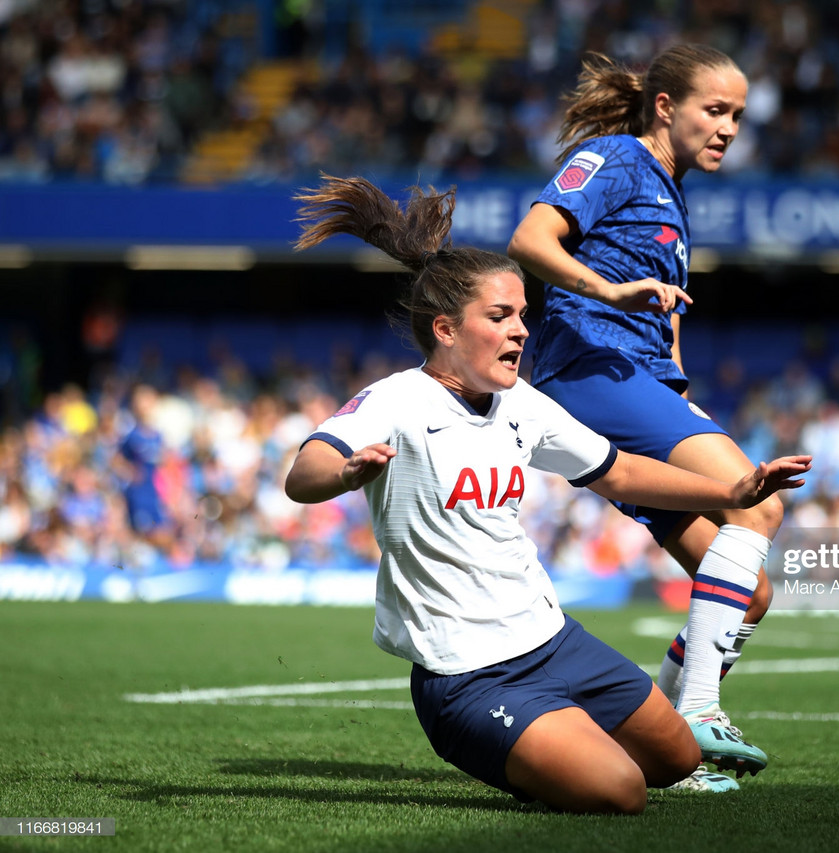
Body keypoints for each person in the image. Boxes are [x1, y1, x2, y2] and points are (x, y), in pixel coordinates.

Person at [282, 175, 811, 813]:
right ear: (446, 329)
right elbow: (304, 472)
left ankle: (559, 738)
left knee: (678, 760)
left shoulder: (521, 403)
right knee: (622, 792)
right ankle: (532, 748)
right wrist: (345, 472)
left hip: (555, 641)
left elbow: (619, 472)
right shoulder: (397, 400)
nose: (521, 332)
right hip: (467, 675)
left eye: (523, 316)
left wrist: (731, 488)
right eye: (500, 317)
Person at [507, 44, 782, 783]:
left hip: (639, 382)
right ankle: (696, 708)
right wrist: (607, 289)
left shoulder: (673, 189)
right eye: (714, 110)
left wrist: (678, 392)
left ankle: (663, 749)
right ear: (666, 106)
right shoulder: (619, 159)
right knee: (756, 509)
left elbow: (666, 313)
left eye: (738, 117)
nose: (728, 128)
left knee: (749, 589)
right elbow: (530, 238)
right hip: (591, 373)